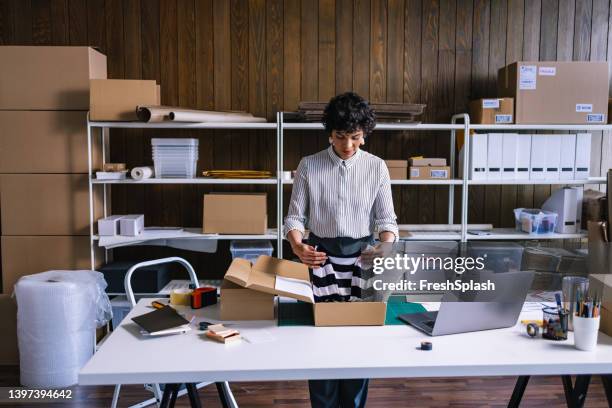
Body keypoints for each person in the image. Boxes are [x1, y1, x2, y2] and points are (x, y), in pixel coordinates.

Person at [284, 91, 398, 408]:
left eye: (355, 137)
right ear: (329, 133)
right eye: (340, 137)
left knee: (359, 344)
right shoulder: (309, 166)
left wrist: (384, 246)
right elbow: (294, 217)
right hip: (320, 260)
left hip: (363, 260)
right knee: (321, 342)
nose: (347, 145)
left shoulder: (377, 168)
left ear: (365, 135)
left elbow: (387, 219)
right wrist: (297, 245)